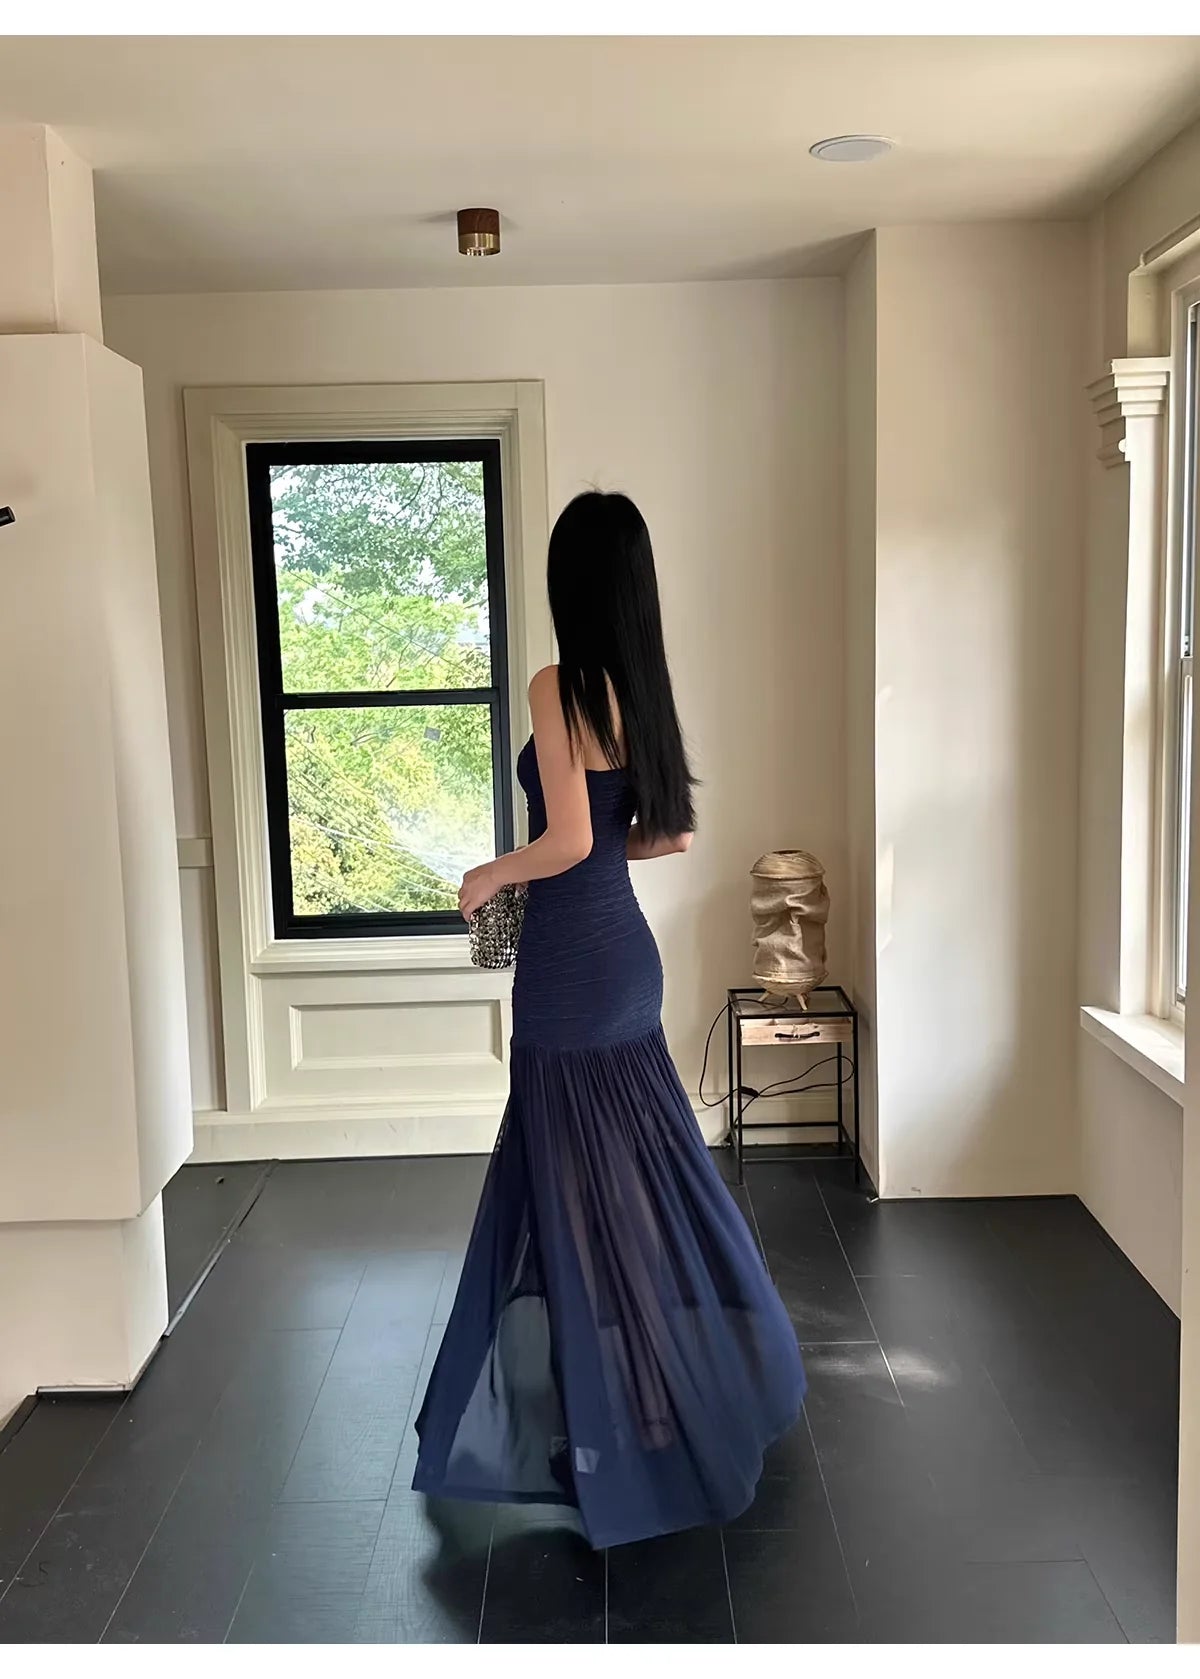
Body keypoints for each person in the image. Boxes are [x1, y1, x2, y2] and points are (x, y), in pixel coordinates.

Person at [411, 490, 805, 1549]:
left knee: (573, 1187)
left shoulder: (559, 683)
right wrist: (573, 858)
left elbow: (571, 837)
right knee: (631, 1177)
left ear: (569, 583)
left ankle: (607, 1429)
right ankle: (652, 1398)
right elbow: (664, 838)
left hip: (571, 969)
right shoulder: (641, 690)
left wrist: (491, 870)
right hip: (627, 962)